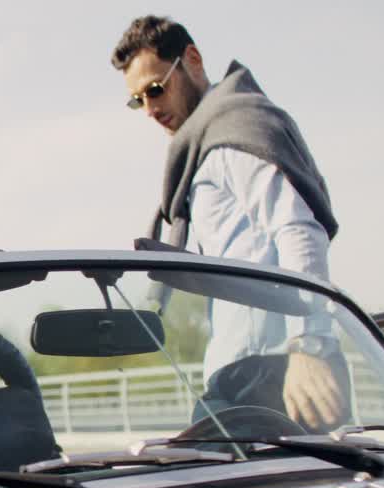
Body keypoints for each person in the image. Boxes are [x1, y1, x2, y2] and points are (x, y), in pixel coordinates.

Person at [112, 16, 348, 433]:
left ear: (193, 60)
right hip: (246, 372)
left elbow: (297, 229)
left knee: (202, 487)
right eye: (137, 100)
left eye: (155, 89)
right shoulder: (209, 145)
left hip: (268, 372)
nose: (149, 109)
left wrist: (309, 346)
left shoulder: (234, 134)